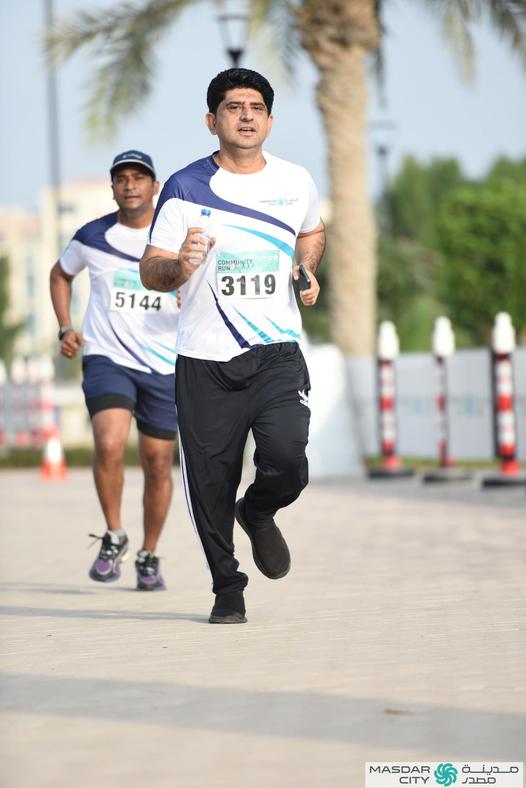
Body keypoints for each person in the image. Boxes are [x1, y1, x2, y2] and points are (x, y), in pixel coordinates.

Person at [140, 69, 325, 622]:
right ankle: (227, 586)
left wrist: (306, 266)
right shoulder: (184, 187)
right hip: (205, 360)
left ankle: (259, 510)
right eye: (233, 107)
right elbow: (151, 270)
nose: (246, 115)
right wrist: (180, 265)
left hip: (276, 353)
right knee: (209, 483)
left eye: (256, 107)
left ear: (269, 120)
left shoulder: (296, 181)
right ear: (211, 120)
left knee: (288, 459)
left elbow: (312, 231)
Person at [50, 150, 179, 591]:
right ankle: (115, 535)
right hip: (107, 357)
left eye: (138, 178)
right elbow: (60, 275)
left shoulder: (173, 238)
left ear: (154, 187)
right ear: (113, 188)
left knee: (158, 464)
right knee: (108, 443)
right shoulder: (93, 235)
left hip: (164, 364)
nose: (129, 185)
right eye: (121, 178)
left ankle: (149, 554)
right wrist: (65, 326)